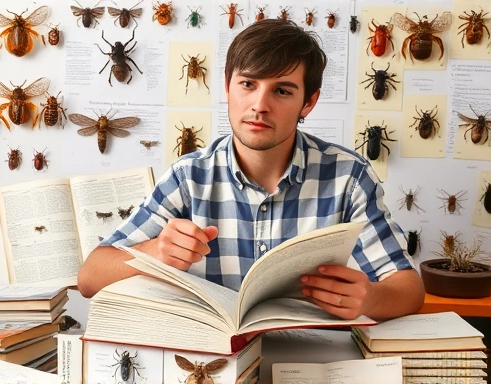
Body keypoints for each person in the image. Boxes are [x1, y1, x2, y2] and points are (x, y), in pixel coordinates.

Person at [78, 19, 425, 321]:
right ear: (228, 86)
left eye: (282, 90)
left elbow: (409, 289)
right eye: (248, 84)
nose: (260, 105)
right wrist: (154, 251)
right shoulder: (189, 177)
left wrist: (371, 297)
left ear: (309, 102)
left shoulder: (349, 177)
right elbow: (91, 277)